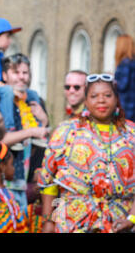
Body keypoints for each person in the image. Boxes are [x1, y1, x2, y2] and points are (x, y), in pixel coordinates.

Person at [38, 73, 135, 233]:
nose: (101, 100)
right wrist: (49, 221)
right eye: (94, 96)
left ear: (116, 98)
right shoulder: (67, 131)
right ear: (86, 100)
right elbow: (48, 182)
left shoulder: (130, 133)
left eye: (107, 95)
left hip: (119, 224)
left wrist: (131, 219)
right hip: (72, 224)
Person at [0, 54, 50, 213]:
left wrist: (44, 120)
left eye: (25, 73)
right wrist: (31, 131)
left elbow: (43, 139)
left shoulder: (34, 101)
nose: (22, 77)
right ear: (4, 75)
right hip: (1, 183)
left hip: (29, 183)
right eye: (16, 72)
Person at [114, 34, 135, 122]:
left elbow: (123, 85)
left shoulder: (125, 64)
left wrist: (113, 82)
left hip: (127, 106)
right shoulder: (132, 62)